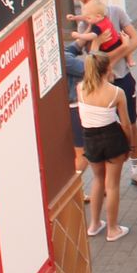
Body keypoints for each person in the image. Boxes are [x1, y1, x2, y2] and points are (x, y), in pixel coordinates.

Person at [70, 0, 137, 192]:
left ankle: (136, 170)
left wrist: (112, 58)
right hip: (101, 84)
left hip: (122, 77)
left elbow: (135, 40)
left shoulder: (115, 12)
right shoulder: (84, 25)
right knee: (101, 128)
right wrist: (116, 54)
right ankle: (101, 179)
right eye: (84, 1)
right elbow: (93, 60)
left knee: (132, 123)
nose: (88, 4)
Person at [77, 50, 137, 242]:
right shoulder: (116, 93)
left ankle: (94, 224)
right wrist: (129, 145)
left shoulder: (80, 89)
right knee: (112, 186)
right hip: (112, 138)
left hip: (90, 138)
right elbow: (126, 123)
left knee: (97, 180)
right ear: (107, 68)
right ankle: (113, 229)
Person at [63, 35, 88, 200]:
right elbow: (91, 67)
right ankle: (74, 192)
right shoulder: (65, 60)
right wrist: (98, 44)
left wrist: (85, 34)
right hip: (74, 109)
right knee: (83, 153)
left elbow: (72, 49)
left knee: (77, 153)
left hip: (71, 109)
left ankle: (76, 190)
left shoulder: (62, 55)